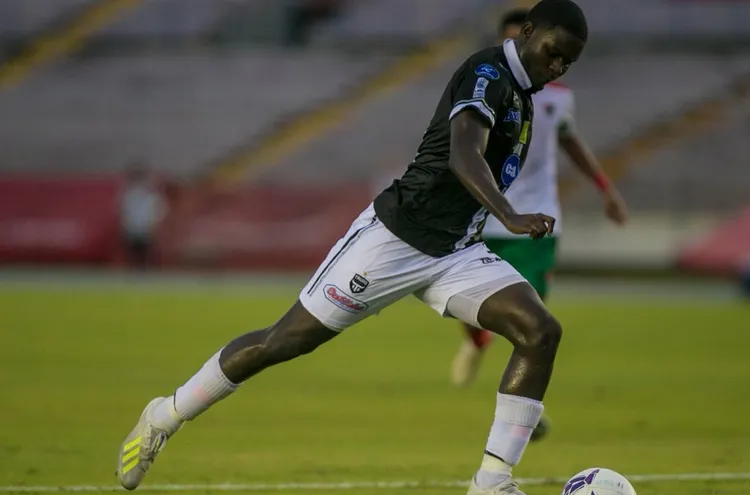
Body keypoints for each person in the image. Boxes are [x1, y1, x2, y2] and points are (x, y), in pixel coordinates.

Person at [116, 1, 589, 494]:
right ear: (529, 31)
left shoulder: (526, 99)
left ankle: (491, 482)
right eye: (554, 53)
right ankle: (165, 415)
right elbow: (463, 153)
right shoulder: (487, 72)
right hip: (394, 240)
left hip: (455, 253)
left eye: (567, 63)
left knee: (540, 331)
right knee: (282, 342)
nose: (556, 67)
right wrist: (509, 216)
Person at [451, 9, 626, 394]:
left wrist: (605, 189)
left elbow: (570, 141)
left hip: (538, 218)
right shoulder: (485, 88)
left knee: (530, 318)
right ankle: (476, 341)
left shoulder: (558, 98)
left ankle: (519, 399)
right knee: (468, 303)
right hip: (485, 213)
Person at [119, 163, 167, 270]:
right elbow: (124, 211)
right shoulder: (130, 195)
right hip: (133, 228)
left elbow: (158, 210)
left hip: (146, 228)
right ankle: (134, 270)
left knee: (146, 253)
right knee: (133, 252)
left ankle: (145, 270)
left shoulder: (151, 196)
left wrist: (154, 224)